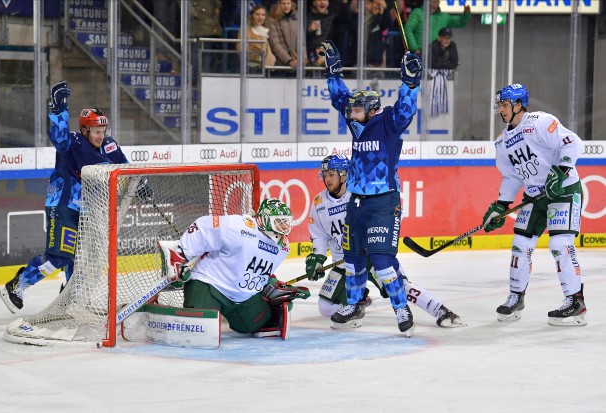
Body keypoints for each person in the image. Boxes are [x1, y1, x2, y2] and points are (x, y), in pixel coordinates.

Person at [0, 82, 151, 313]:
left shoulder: (109, 146)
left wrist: (142, 185)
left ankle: (70, 300)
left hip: (87, 212)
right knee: (58, 256)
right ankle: (17, 284)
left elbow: (125, 168)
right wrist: (58, 110)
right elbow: (57, 136)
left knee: (80, 261)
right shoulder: (72, 142)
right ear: (85, 130)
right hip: (63, 206)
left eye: (103, 131)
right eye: (96, 132)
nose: (101, 136)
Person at [318, 39, 423, 337]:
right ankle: (353, 305)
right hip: (358, 203)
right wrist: (334, 71)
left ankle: (401, 308)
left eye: (357, 109)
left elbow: (406, 108)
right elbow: (340, 99)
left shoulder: (389, 121)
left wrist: (410, 82)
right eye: (352, 109)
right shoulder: (356, 124)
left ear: (372, 109)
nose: (351, 112)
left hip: (384, 203)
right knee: (352, 258)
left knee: (382, 261)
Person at [307, 155, 464, 328]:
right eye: (325, 175)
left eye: (332, 174)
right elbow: (319, 234)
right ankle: (358, 305)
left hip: (372, 255)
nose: (327, 179)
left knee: (400, 287)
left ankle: (441, 311)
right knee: (325, 307)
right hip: (346, 262)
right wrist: (318, 257)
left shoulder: (361, 192)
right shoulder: (319, 202)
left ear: (344, 174)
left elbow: (387, 216)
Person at [483, 83, 586, 327]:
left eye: (505, 104)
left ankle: (576, 301)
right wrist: (501, 205)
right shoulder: (502, 142)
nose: (501, 109)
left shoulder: (539, 121)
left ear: (519, 104)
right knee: (520, 243)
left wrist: (561, 171)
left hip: (563, 189)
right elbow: (511, 177)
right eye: (499, 105)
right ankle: (516, 297)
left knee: (560, 243)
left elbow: (573, 143)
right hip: (534, 196)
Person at [159, 198, 310, 339]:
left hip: (243, 298)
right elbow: (203, 226)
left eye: (286, 222)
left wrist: (272, 287)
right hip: (210, 285)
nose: (285, 227)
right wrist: (181, 254)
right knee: (201, 329)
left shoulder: (283, 247)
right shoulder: (240, 226)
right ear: (264, 219)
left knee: (258, 323)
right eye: (279, 222)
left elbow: (258, 270)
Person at [404, 0, 471, 56]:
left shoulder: (444, 16)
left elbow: (460, 23)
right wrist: (415, 49)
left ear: (439, 3)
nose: (433, 4)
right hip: (419, 52)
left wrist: (466, 14)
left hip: (437, 54)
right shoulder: (417, 13)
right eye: (432, 1)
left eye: (436, 2)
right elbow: (407, 29)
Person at [268, 0, 307, 71]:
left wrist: (303, 59)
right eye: (283, 4)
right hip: (280, 64)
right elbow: (275, 44)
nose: (286, 6)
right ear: (279, 5)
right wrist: (289, 60)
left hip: (297, 63)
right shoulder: (273, 20)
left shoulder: (297, 19)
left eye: (288, 3)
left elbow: (302, 42)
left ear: (291, 4)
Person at [237, 5, 276, 72]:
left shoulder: (265, 30)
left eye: (263, 15)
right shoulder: (246, 29)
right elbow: (241, 49)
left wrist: (271, 58)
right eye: (257, 14)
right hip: (251, 68)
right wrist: (257, 57)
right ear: (252, 15)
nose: (260, 17)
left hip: (266, 68)